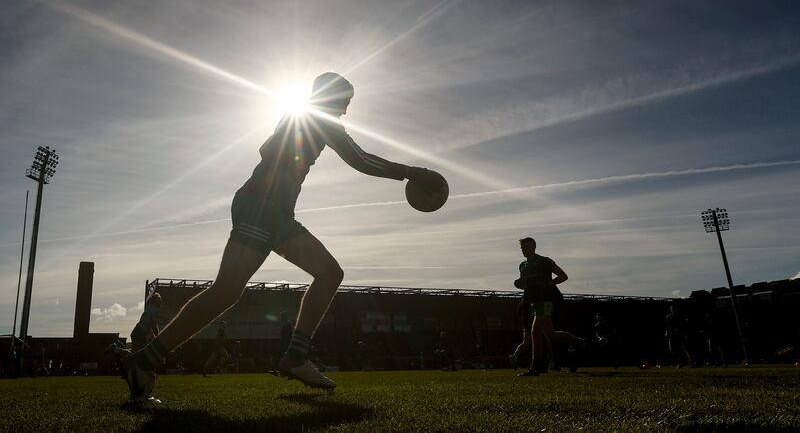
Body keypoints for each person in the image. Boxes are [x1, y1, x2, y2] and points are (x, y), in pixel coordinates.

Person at [118, 72, 444, 401]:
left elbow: (266, 148)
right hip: (261, 208)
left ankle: (295, 356)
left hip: (275, 213)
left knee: (329, 274)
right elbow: (360, 160)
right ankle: (143, 362)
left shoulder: (298, 115)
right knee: (226, 291)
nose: (346, 110)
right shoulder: (320, 119)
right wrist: (411, 172)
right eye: (345, 102)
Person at [509, 237, 579, 376]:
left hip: (546, 300)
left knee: (535, 332)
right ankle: (580, 342)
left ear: (534, 247)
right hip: (534, 302)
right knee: (551, 335)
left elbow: (563, 276)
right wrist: (521, 284)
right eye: (522, 248)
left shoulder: (544, 261)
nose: (524, 250)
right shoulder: (523, 265)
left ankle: (536, 367)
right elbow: (526, 285)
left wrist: (547, 284)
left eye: (526, 247)